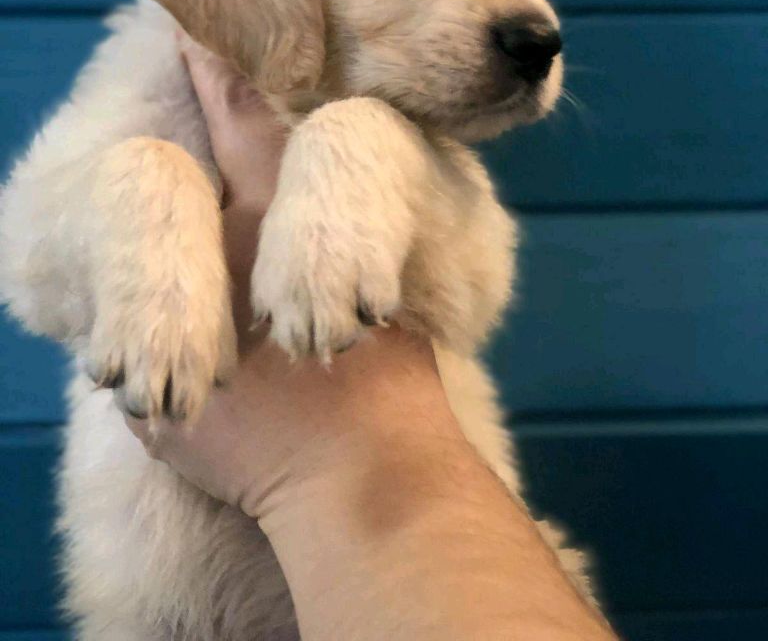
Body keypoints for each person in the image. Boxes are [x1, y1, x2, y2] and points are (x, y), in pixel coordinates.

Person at [126, 37, 618, 641]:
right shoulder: (141, 89)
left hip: (406, 546)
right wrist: (150, 209)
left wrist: (360, 144)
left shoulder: (387, 130)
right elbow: (30, 257)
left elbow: (476, 293)